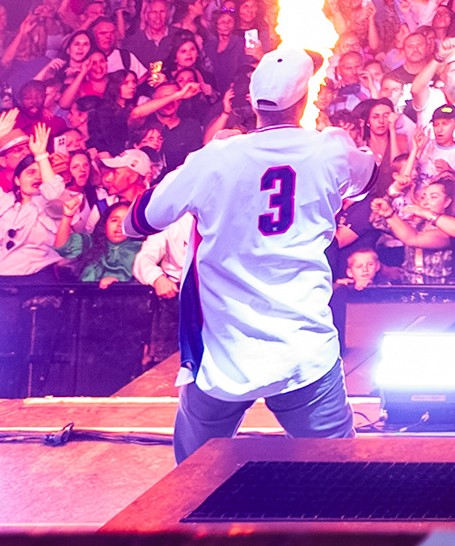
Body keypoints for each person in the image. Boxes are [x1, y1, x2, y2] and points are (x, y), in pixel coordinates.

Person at [137, 48, 375, 459]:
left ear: (251, 99)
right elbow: (368, 179)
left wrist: (204, 162)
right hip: (302, 351)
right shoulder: (329, 149)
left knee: (191, 479)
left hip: (225, 355)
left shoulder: (216, 157)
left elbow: (141, 219)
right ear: (304, 101)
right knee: (338, 477)